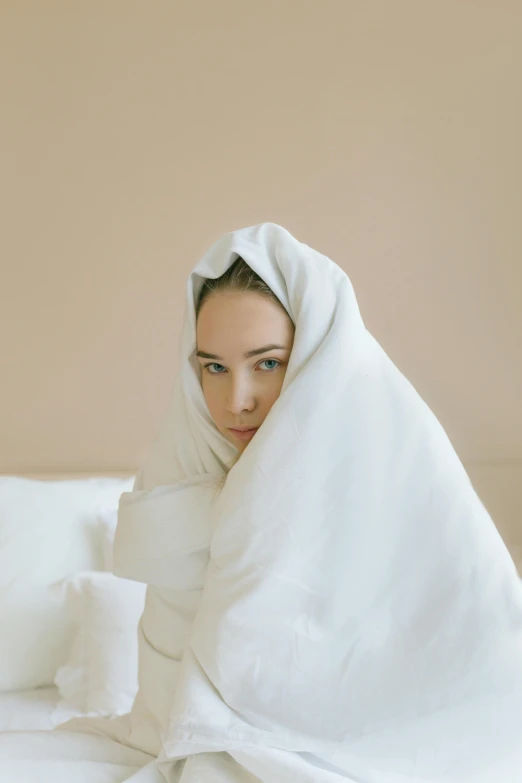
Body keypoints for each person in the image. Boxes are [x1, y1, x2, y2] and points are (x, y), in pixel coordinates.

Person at [1, 222, 521, 783]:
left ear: (317, 361)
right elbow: (164, 699)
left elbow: (468, 652)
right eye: (214, 368)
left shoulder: (401, 461)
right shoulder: (189, 468)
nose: (237, 401)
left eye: (267, 363)